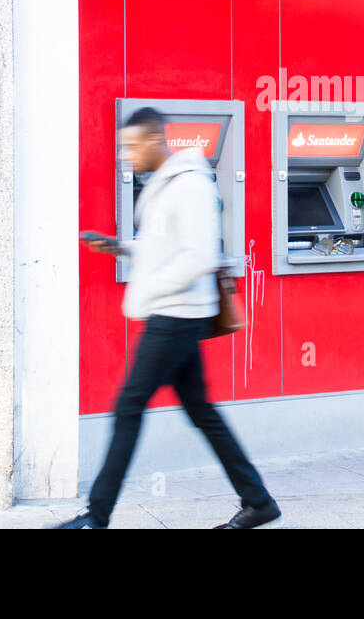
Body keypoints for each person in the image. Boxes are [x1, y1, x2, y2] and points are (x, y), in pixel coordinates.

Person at [56, 106, 281, 529]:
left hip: (176, 315)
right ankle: (259, 503)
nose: (126, 154)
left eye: (132, 146)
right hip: (173, 312)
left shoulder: (190, 185)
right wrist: (122, 247)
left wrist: (151, 290)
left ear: (156, 140)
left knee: (128, 407)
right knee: (201, 410)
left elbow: (198, 255)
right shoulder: (161, 186)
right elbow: (164, 246)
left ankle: (96, 517)